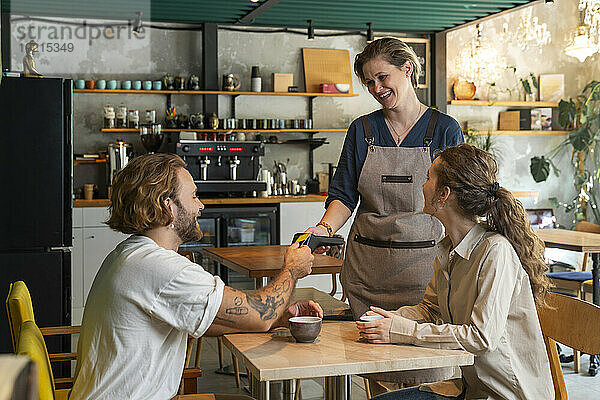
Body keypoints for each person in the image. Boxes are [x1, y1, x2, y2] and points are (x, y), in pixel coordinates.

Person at [70, 153, 322, 400]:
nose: (201, 205)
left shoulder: (129, 254)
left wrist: (278, 317)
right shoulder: (162, 268)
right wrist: (292, 269)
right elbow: (259, 315)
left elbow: (209, 317)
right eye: (193, 196)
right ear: (167, 206)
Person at [356, 143, 554, 399]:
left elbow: (482, 338)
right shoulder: (449, 249)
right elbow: (431, 309)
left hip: (506, 395)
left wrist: (403, 331)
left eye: (429, 178)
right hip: (472, 390)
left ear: (444, 194)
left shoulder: (495, 251)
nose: (423, 185)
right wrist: (387, 320)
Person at [307, 37, 463, 320]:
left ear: (407, 69)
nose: (377, 89)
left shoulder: (445, 130)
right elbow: (343, 195)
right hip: (366, 273)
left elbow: (457, 201)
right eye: (369, 83)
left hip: (424, 276)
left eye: (382, 77)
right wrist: (324, 228)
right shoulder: (361, 130)